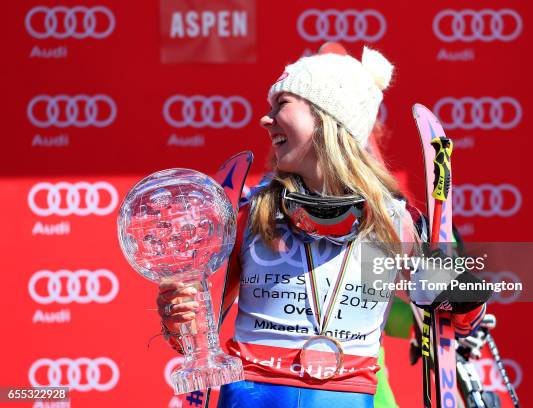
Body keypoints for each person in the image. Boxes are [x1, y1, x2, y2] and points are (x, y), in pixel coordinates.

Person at [157, 47, 485, 408]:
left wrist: (465, 295)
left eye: (281, 103)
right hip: (254, 394)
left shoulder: (394, 221)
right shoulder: (249, 212)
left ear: (326, 116)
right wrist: (180, 318)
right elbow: (196, 337)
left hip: (347, 395)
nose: (266, 120)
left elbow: (455, 326)